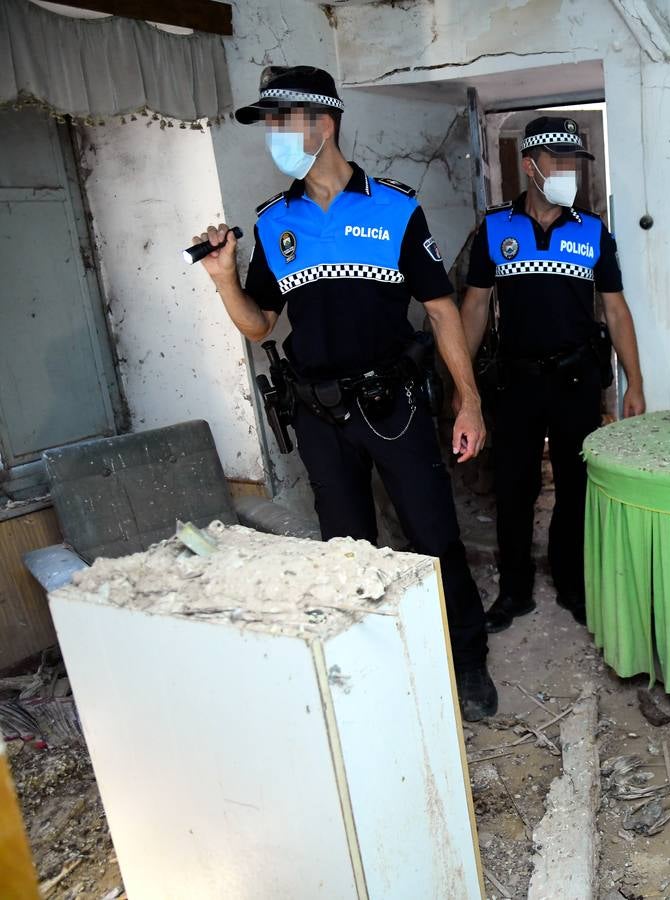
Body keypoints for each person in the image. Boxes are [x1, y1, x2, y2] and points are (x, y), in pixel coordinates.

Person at [190, 66, 497, 720]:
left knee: (434, 534)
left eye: (282, 122)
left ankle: (467, 660)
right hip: (320, 415)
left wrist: (466, 400)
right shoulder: (274, 223)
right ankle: (368, 664)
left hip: (394, 407)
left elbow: (442, 311)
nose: (273, 136)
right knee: (347, 551)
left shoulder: (395, 207)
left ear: (322, 124)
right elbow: (261, 323)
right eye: (269, 125)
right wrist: (223, 280)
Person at [461, 116, 646, 633]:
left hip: (575, 382)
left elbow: (616, 310)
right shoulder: (495, 229)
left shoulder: (592, 232)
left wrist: (634, 382)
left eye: (575, 163)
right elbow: (474, 309)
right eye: (558, 161)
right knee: (514, 490)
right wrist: (464, 389)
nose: (570, 172)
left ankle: (572, 585)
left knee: (575, 488)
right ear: (530, 165)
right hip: (515, 385)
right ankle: (515, 590)